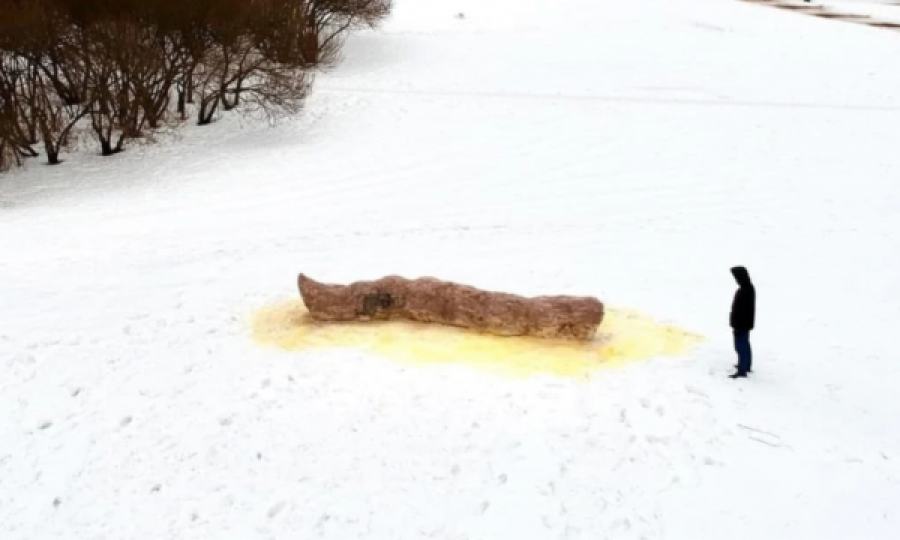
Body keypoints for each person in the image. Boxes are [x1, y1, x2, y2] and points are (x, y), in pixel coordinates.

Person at [729, 266, 755, 378]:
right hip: (744, 323)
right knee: (744, 345)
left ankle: (742, 370)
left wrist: (737, 323)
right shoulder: (747, 288)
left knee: (741, 346)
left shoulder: (745, 290)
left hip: (741, 324)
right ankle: (745, 365)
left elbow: (742, 310)